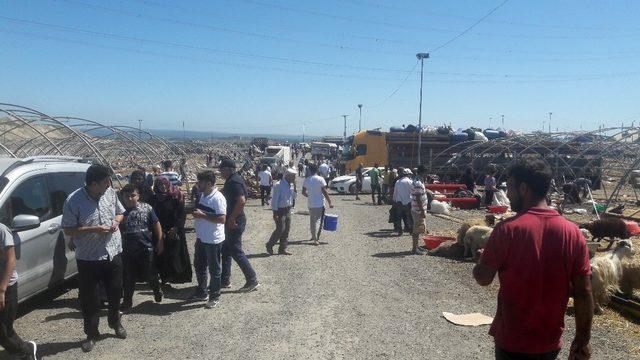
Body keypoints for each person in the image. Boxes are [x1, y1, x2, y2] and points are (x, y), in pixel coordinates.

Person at [473, 158, 593, 360]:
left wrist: (479, 261)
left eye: (510, 188)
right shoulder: (573, 233)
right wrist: (582, 340)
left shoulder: (507, 230)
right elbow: (584, 291)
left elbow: (483, 279)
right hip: (549, 343)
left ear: (523, 188)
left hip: (512, 342)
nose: (508, 195)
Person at [61, 164, 127, 352]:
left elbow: (120, 213)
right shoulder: (73, 200)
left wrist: (116, 221)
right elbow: (68, 229)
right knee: (90, 298)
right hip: (89, 258)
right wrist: (95, 229)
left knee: (115, 292)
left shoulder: (110, 193)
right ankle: (91, 334)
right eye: (106, 181)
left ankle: (115, 323)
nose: (109, 184)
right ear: (94, 183)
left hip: (113, 252)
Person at [119, 185, 164, 311]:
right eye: (126, 196)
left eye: (132, 195)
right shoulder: (119, 211)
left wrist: (160, 242)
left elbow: (156, 224)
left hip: (146, 247)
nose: (129, 198)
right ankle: (127, 302)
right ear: (122, 197)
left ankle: (156, 290)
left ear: (138, 196)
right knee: (128, 277)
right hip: (127, 249)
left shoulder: (147, 208)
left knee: (151, 274)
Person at [218, 160, 260, 292]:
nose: (220, 172)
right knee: (225, 250)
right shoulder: (233, 179)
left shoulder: (234, 181)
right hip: (233, 219)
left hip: (235, 220)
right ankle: (224, 280)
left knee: (235, 250)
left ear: (229, 168)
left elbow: (241, 201)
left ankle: (252, 279)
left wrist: (232, 218)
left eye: (222, 169)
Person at [189, 170, 227, 309]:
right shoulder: (202, 196)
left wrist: (202, 215)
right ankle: (202, 291)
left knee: (214, 268)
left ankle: (214, 296)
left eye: (200, 182)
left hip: (213, 239)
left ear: (209, 183)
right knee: (199, 265)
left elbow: (222, 219)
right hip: (201, 237)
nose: (198, 184)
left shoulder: (218, 198)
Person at [0, 223, 37, 359]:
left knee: (4, 330)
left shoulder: (2, 230)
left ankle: (26, 351)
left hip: (6, 287)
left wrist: (2, 290)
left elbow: (11, 259)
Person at [152, 176, 192, 286]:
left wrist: (176, 227)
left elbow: (182, 213)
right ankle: (165, 278)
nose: (163, 187)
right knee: (162, 255)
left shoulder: (175, 197)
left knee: (176, 254)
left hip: (175, 230)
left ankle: (178, 277)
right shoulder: (155, 199)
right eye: (160, 185)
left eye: (165, 184)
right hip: (160, 230)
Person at [302, 163, 334, 245]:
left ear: (309, 170)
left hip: (310, 204)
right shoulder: (320, 179)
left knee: (312, 221)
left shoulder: (307, 179)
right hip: (319, 204)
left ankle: (313, 236)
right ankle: (316, 239)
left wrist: (309, 196)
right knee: (319, 221)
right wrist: (330, 202)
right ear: (317, 170)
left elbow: (303, 192)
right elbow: (324, 192)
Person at [267, 169, 296, 255]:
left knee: (286, 230)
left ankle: (282, 249)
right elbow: (275, 200)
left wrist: (295, 188)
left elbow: (294, 197)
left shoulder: (291, 185)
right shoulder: (278, 185)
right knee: (280, 229)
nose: (294, 178)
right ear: (287, 175)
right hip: (280, 210)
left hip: (288, 209)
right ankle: (270, 244)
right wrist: (274, 212)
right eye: (293, 176)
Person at [410, 165, 430, 255]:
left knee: (418, 229)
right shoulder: (418, 183)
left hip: (417, 209)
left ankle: (417, 247)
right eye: (426, 173)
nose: (427, 175)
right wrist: (422, 211)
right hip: (418, 210)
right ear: (423, 173)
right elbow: (418, 198)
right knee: (417, 229)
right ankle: (414, 249)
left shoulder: (418, 181)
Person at [392, 168, 413, 236]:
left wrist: (394, 200)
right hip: (408, 202)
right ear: (408, 174)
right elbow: (412, 192)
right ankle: (411, 230)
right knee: (409, 217)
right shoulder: (410, 182)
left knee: (399, 217)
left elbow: (395, 193)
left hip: (399, 202)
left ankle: (400, 231)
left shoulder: (398, 182)